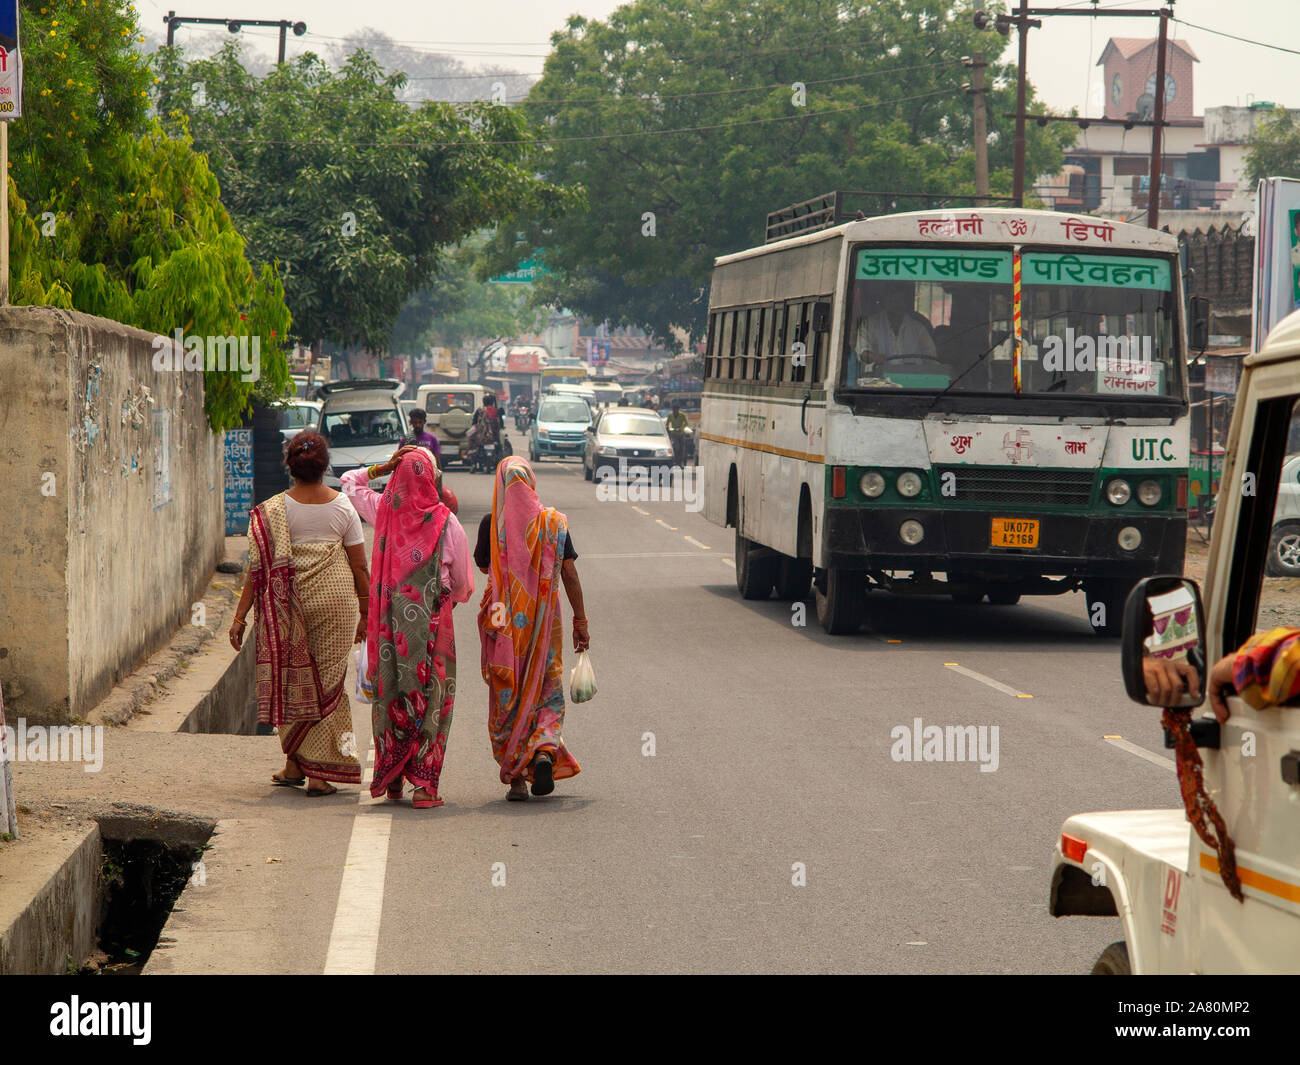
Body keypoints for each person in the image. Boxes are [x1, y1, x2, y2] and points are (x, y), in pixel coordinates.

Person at [229, 430, 366, 797]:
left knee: (291, 683)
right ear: (325, 466)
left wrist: (240, 617)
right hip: (337, 605)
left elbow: (257, 573)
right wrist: (366, 615)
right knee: (326, 686)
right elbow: (360, 569)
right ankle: (311, 772)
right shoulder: (342, 507)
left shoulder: (273, 510)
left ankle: (298, 763)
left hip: (288, 607)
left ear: (290, 466)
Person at [361, 447, 474, 808]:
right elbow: (462, 584)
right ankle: (424, 787)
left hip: (390, 624)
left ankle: (392, 780)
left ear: (397, 477)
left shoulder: (384, 512)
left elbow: (349, 483)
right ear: (431, 478)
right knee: (434, 695)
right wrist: (442, 600)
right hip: (435, 620)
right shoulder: (447, 521)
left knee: (391, 692)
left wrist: (381, 467)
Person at [475, 457, 589, 801]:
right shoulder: (554, 523)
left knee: (507, 693)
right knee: (546, 689)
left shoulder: (492, 523)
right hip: (545, 626)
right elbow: (569, 574)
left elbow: (484, 565)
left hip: (504, 622)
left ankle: (517, 780)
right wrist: (580, 621)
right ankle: (542, 750)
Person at [848, 281, 938, 382]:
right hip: (877, 385)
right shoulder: (870, 324)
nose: (896, 304)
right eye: (892, 299)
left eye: (900, 299)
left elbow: (931, 359)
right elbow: (863, 353)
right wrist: (876, 357)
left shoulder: (918, 328)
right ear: (884, 301)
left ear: (905, 302)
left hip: (914, 384)